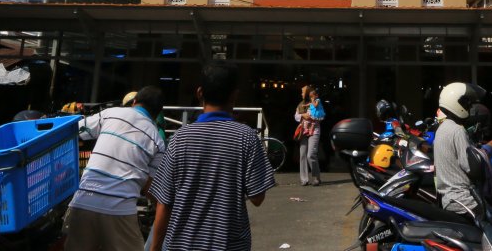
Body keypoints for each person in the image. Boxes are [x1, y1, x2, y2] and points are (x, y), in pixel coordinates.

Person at [149, 60, 275, 251]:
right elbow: (257, 197)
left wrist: (154, 248)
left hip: (181, 245)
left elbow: (164, 203)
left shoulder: (179, 139)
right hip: (229, 245)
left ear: (200, 93)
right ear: (235, 95)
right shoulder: (246, 137)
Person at [65, 85, 165, 251]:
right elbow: (151, 188)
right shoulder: (157, 141)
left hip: (83, 202)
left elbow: (73, 132)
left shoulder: (112, 113)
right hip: (120, 211)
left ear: (134, 102)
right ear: (157, 114)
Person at [433, 81, 485, 218]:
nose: (469, 108)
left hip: (448, 200)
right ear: (456, 103)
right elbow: (470, 167)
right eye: (466, 104)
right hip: (465, 201)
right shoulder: (457, 130)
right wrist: (486, 152)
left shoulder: (442, 128)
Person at [298, 86, 325, 186]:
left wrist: (313, 117)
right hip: (303, 130)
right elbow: (296, 116)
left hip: (314, 130)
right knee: (302, 154)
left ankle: (316, 177)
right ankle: (304, 179)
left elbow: (321, 116)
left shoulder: (317, 102)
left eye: (303, 92)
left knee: (311, 154)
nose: (301, 94)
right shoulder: (301, 104)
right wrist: (302, 115)